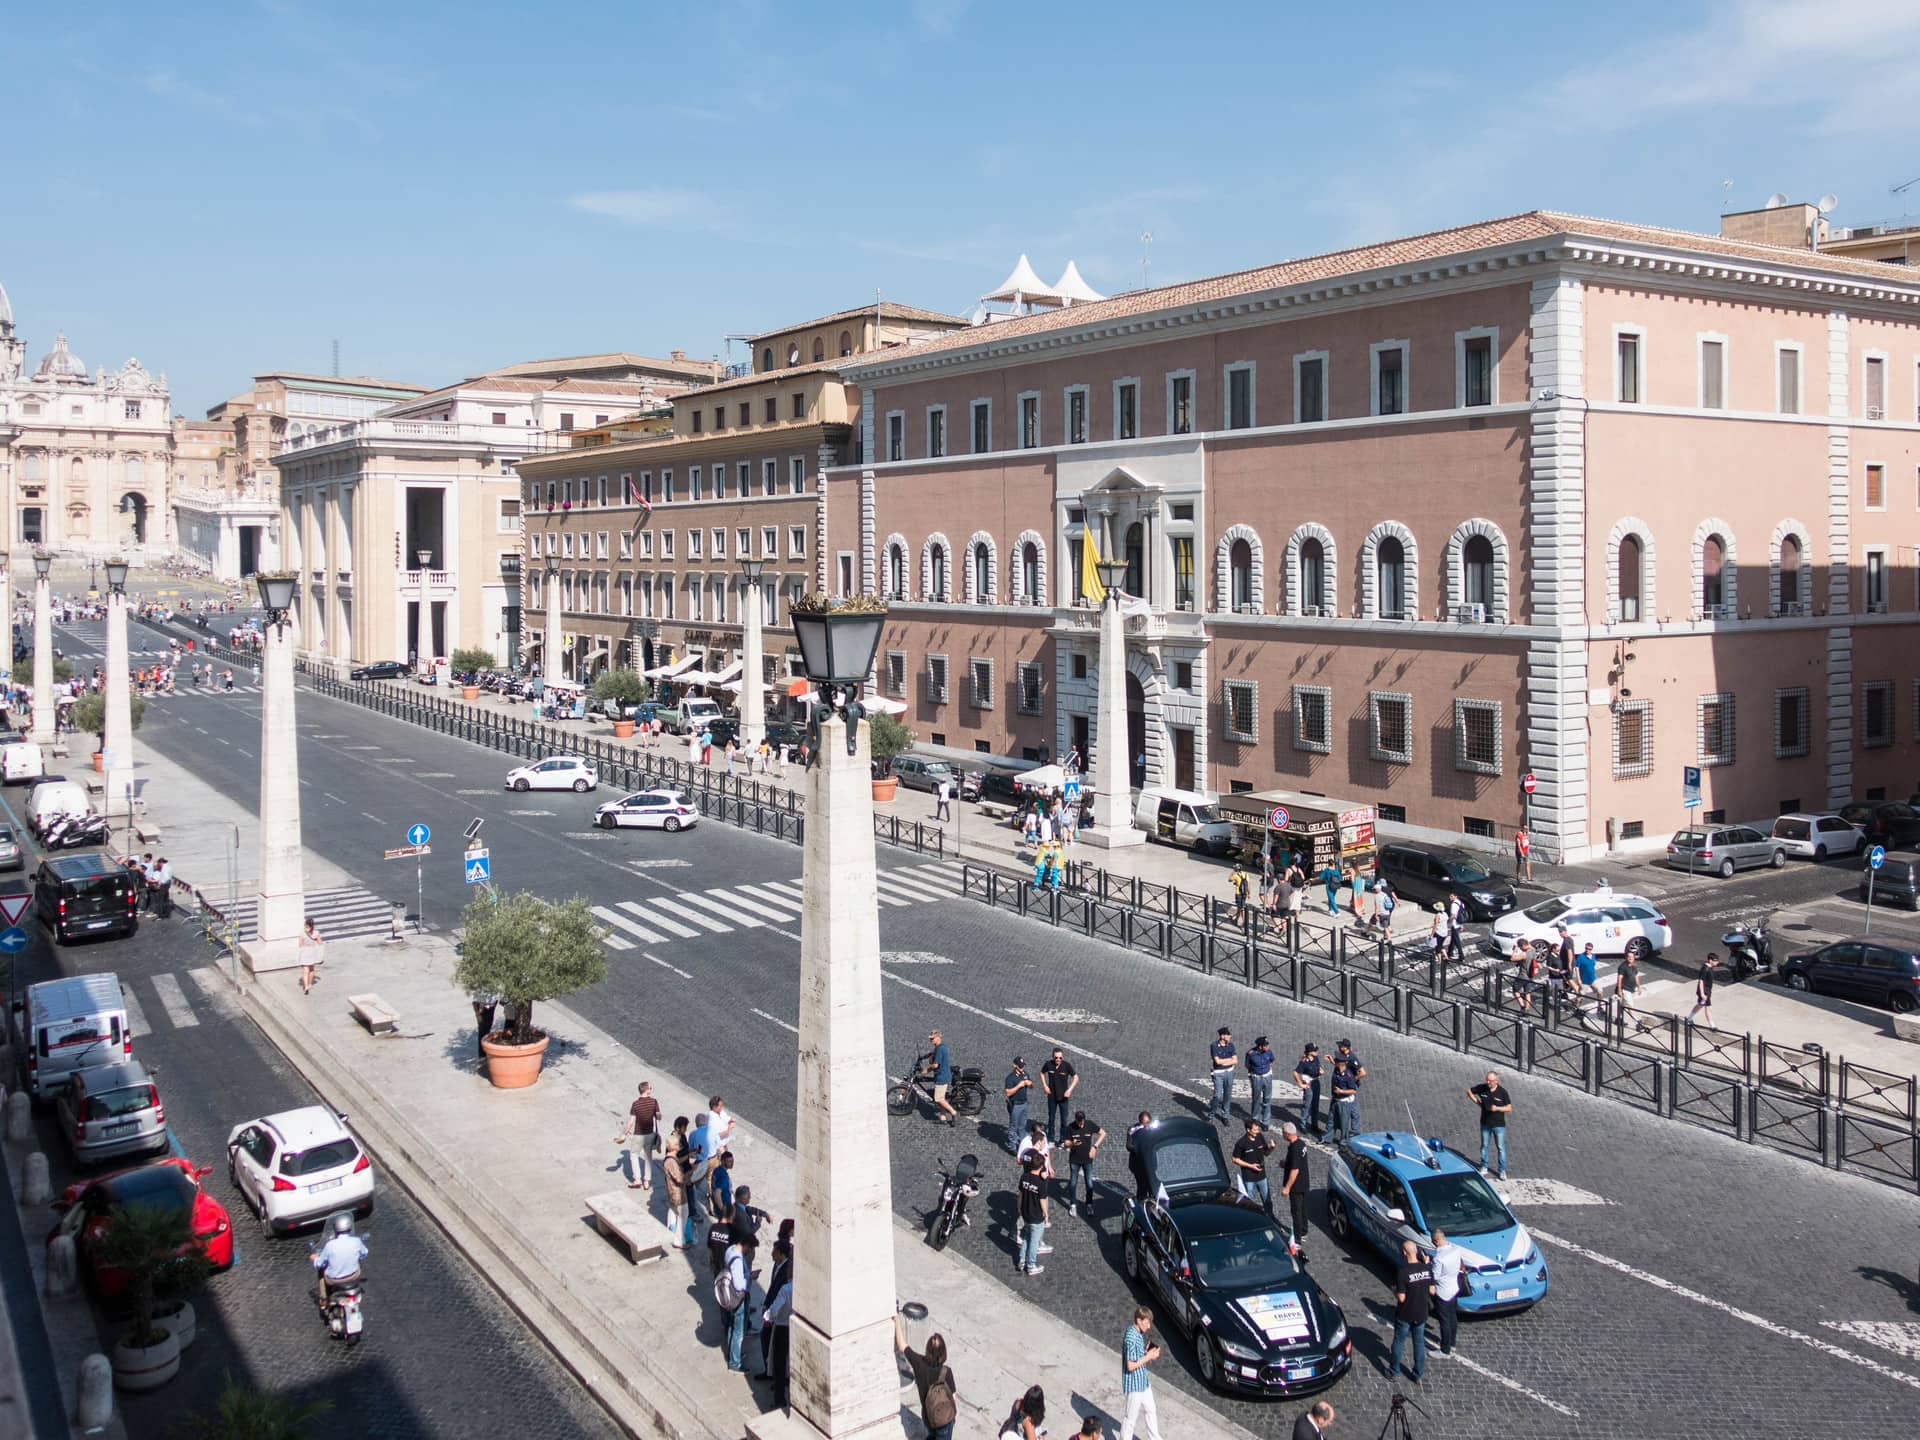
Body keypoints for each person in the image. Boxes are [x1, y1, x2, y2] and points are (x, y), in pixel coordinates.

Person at [895, 1314, 958, 1440]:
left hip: (928, 1417)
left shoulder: (919, 1363)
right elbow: (953, 1397)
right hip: (944, 1421)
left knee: (932, 1435)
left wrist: (896, 1319)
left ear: (927, 1350)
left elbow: (902, 1345)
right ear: (943, 1352)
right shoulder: (947, 1372)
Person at [1388, 1237, 1434, 1383]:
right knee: (1419, 1343)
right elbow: (1432, 1291)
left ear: (1404, 1252)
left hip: (1405, 1313)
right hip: (1421, 1312)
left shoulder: (1403, 1272)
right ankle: (1418, 1374)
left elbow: (1401, 1298)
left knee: (1399, 1341)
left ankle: (1394, 1371)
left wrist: (1394, 1290)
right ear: (1417, 1252)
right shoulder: (1426, 1268)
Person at [1119, 1307, 1164, 1440]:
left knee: (1151, 1410)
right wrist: (1149, 1356)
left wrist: (1146, 1353)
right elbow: (1131, 1365)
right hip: (1134, 1386)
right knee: (1130, 1418)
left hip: (1143, 1383)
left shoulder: (1137, 1334)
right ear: (1139, 1320)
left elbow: (1136, 1358)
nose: (1149, 1326)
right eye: (1147, 1322)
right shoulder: (1131, 1338)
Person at [308, 1212, 367, 1311]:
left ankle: (324, 1299)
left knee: (321, 1273)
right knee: (359, 1263)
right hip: (354, 1276)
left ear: (335, 1229)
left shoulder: (330, 1245)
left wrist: (314, 1258)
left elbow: (319, 1263)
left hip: (334, 1280)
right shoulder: (356, 1241)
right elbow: (364, 1253)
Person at [722, 1232, 759, 1372]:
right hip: (737, 1298)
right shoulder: (737, 1259)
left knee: (732, 1327)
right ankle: (735, 1363)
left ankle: (733, 1354)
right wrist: (750, 1278)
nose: (750, 1252)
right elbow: (739, 1285)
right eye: (750, 1249)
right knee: (739, 1331)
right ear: (746, 1246)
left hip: (728, 1295)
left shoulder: (730, 1250)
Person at [761, 1242, 792, 1398]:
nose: (772, 1253)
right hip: (781, 1320)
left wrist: (768, 1316)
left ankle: (779, 1385)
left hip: (781, 1323)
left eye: (774, 1251)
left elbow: (778, 1303)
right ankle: (769, 1371)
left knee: (779, 1357)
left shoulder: (787, 1287)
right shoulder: (777, 1266)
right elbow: (772, 1287)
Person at [617, 1080, 661, 1189]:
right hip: (650, 1134)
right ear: (647, 1090)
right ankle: (647, 1181)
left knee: (634, 1155)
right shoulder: (654, 1102)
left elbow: (631, 1122)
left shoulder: (635, 1104)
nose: (651, 1089)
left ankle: (637, 1179)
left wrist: (624, 1135)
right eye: (650, 1088)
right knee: (648, 1157)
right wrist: (657, 1114)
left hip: (638, 1134)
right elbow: (659, 1117)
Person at [1468, 1070, 1512, 1180]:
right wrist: (1478, 1103)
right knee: (1484, 1146)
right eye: (1487, 1080)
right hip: (1485, 1123)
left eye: (1490, 1081)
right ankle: (1484, 1166)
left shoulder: (1502, 1092)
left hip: (1498, 1124)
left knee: (1500, 1147)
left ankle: (1502, 1170)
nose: (1488, 1082)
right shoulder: (1482, 1088)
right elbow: (1469, 1091)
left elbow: (1509, 1108)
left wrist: (1497, 1108)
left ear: (1496, 1081)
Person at [1429, 1228, 1465, 1356]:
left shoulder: (1439, 1258)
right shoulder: (1456, 1249)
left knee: (1444, 1321)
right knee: (1452, 1317)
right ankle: (1452, 1343)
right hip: (1454, 1287)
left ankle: (1445, 1350)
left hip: (1443, 1292)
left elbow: (1436, 1276)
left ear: (1436, 1241)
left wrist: (1428, 1264)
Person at [1061, 1110, 1104, 1215]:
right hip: (1075, 1160)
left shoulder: (1089, 1124)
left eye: (1082, 1122)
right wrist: (1072, 1143)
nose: (1081, 1125)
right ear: (1076, 1120)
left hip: (1088, 1160)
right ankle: (1073, 1204)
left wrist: (1094, 1147)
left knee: (1089, 1184)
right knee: (1073, 1183)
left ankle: (1089, 1204)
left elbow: (1103, 1133)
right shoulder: (1070, 1127)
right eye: (1079, 1122)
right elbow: (1065, 1144)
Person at [1279, 1122, 1310, 1256]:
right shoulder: (1301, 1143)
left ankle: (1297, 1238)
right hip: (1304, 1182)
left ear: (1287, 1134)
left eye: (1283, 1132)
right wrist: (1285, 1164)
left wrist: (1287, 1187)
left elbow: (1295, 1170)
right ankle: (1303, 1229)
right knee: (1302, 1208)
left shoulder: (1294, 1149)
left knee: (1296, 1211)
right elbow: (1295, 1163)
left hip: (1296, 1185)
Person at [1016, 1149, 1049, 1276]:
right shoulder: (1040, 1183)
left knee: (1025, 1237)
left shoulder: (1024, 1177)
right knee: (1034, 1241)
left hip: (1025, 1213)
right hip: (1036, 1216)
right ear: (1041, 1166)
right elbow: (1043, 1200)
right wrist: (1046, 1214)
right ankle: (1031, 1266)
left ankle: (1022, 1260)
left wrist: (1019, 1209)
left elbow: (1020, 1195)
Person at [1231, 1119, 1274, 1211]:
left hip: (1262, 1176)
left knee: (1268, 1202)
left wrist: (1272, 1148)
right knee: (1249, 1203)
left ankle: (1270, 1218)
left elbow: (1266, 1153)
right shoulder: (1241, 1143)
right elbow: (1235, 1159)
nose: (1257, 1131)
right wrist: (1250, 1166)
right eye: (1255, 1130)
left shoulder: (1260, 1137)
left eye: (1258, 1129)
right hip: (1249, 1178)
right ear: (1248, 1130)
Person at [1039, 1047, 1078, 1142]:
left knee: (1064, 1120)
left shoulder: (1066, 1066)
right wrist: (1044, 1086)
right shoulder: (1048, 1064)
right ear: (1053, 1056)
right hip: (1052, 1097)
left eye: (1060, 1058)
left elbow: (1076, 1077)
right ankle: (1051, 1139)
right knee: (1051, 1119)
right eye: (1056, 1057)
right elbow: (1041, 1073)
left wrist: (1070, 1090)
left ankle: (1062, 1139)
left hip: (1063, 1098)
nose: (1058, 1059)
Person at [921, 1029, 957, 1125]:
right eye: (930, 1039)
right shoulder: (939, 1047)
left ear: (938, 1037)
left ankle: (953, 1112)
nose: (931, 1040)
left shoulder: (940, 1049)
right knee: (942, 1097)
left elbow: (936, 1065)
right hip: (942, 1075)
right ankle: (942, 1117)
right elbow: (931, 1054)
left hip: (942, 1076)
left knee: (938, 1098)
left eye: (932, 1039)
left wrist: (926, 1070)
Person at [1003, 1056, 1033, 1154]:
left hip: (1024, 1103)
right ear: (1014, 1065)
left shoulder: (1025, 1074)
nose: (1022, 1068)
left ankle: (1022, 1144)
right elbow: (1008, 1093)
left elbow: (1032, 1086)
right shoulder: (1010, 1078)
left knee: (1022, 1126)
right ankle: (1012, 1146)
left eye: (1023, 1066)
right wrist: (1019, 1085)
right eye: (1020, 1066)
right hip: (1015, 1105)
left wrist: (1030, 1084)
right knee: (1013, 1126)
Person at [1293, 1042, 1323, 1138]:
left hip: (1316, 1082)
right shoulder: (1304, 1062)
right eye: (1314, 1050)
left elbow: (1318, 1067)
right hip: (1308, 1083)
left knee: (1315, 1105)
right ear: (1310, 1052)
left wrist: (1320, 1071)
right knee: (1307, 1104)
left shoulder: (1316, 1058)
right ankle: (1303, 1124)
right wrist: (1300, 1084)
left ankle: (1314, 1125)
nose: (1316, 1052)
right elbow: (1296, 1072)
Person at [1245, 1034, 1275, 1127]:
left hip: (1266, 1077)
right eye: (1265, 1045)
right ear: (1260, 1046)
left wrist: (1267, 1069)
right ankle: (1255, 1118)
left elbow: (1272, 1060)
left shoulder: (1268, 1052)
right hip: (1256, 1077)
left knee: (1267, 1099)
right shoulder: (1251, 1053)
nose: (1267, 1046)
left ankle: (1266, 1122)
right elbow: (1247, 1065)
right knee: (1256, 1099)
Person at [1208, 1026, 1236, 1124]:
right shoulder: (1214, 1046)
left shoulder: (1231, 1045)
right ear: (1223, 1036)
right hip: (1218, 1073)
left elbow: (1235, 1060)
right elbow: (1217, 1061)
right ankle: (1211, 1114)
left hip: (1229, 1072)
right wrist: (1229, 1060)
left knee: (1227, 1095)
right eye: (1228, 1035)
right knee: (1218, 1096)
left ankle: (1225, 1115)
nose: (1230, 1036)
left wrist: (1224, 1062)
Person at [1329, 1057, 1360, 1143]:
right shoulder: (1337, 1069)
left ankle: (1343, 1141)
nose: (1335, 1062)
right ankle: (1328, 1138)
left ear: (1341, 1063)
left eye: (1336, 1061)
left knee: (1344, 1123)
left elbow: (1353, 1090)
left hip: (1344, 1102)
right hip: (1335, 1099)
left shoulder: (1348, 1076)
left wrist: (1341, 1091)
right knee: (1331, 1120)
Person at [1126, 1111, 1155, 1199]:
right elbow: (1129, 1146)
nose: (1146, 1125)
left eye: (1148, 1122)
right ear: (1140, 1122)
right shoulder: (1133, 1130)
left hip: (1150, 1163)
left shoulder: (1153, 1128)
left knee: (1152, 1186)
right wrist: (1140, 1149)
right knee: (1142, 1186)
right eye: (1144, 1123)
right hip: (1138, 1164)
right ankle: (1141, 1203)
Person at [297, 916, 324, 997]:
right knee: (311, 969)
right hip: (312, 952)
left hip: (305, 952)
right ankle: (309, 984)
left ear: (306, 925)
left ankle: (305, 986)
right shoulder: (316, 933)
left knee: (305, 970)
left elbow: (300, 945)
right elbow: (320, 943)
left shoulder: (302, 933)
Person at [1691, 952, 1720, 1024]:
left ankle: (1689, 1018)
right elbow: (1701, 981)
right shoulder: (1705, 969)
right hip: (1704, 991)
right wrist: (1702, 994)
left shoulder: (1710, 968)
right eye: (1715, 960)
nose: (1717, 962)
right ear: (1710, 961)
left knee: (1700, 1005)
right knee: (1708, 1007)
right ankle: (1712, 1025)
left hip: (1707, 991)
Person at [471, 990, 499, 1061]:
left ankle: (485, 1052)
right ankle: (482, 1055)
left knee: (487, 1029)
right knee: (482, 1030)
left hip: (491, 1007)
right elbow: (474, 1001)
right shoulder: (480, 987)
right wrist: (477, 1014)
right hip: (483, 1008)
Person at [1615, 949, 1643, 1020]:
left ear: (1634, 958)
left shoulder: (1634, 965)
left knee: (1623, 1005)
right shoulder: (1622, 967)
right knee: (1630, 1006)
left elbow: (1636, 976)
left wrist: (1639, 987)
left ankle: (1619, 1019)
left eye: (1632, 957)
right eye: (1629, 957)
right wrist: (1619, 990)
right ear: (1626, 957)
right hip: (1625, 989)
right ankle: (1637, 1022)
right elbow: (1619, 979)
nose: (1630, 958)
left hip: (1631, 989)